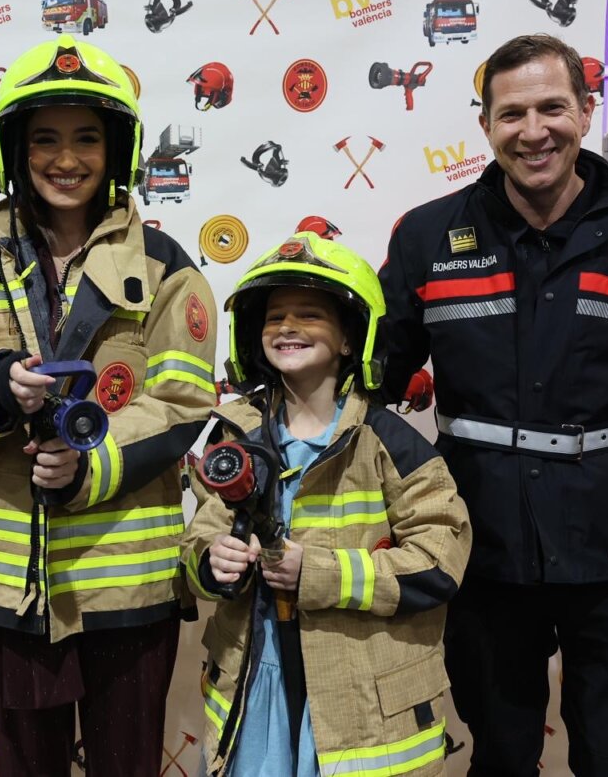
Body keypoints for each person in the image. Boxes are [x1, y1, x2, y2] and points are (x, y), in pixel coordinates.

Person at [379, 33, 608, 776]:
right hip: (479, 547)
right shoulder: (426, 238)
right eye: (512, 113)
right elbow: (372, 379)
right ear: (485, 125)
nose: (534, 130)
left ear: (586, 107)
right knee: (502, 753)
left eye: (553, 107)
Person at [0, 35, 218, 777]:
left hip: (127, 582)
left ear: (118, 149)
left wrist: (89, 466)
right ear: (14, 150)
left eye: (86, 138)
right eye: (44, 139)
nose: (65, 158)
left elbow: (180, 399)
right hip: (10, 588)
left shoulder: (166, 267)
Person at [182, 231, 471, 777]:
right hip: (256, 680)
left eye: (310, 314)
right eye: (274, 317)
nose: (287, 326)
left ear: (348, 338)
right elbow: (202, 532)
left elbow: (441, 560)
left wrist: (319, 575)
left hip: (359, 702)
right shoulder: (235, 431)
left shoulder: (389, 441)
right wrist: (212, 562)